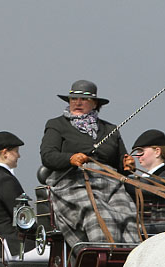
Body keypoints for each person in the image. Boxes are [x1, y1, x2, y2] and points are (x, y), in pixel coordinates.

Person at [39, 80, 139, 248]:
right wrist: (70, 159)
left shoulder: (110, 129)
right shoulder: (56, 125)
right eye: (73, 99)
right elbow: (48, 156)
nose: (77, 103)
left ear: (95, 104)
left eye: (83, 100)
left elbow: (121, 165)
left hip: (110, 183)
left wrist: (127, 165)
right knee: (100, 215)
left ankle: (131, 260)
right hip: (72, 182)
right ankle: (102, 259)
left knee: (128, 215)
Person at [0, 131, 39, 262]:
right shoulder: (5, 180)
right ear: (5, 153)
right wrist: (45, 233)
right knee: (62, 255)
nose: (19, 155)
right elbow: (24, 220)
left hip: (3, 245)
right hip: (14, 246)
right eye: (16, 151)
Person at [127, 129, 165, 235]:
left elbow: (161, 221)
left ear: (157, 152)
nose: (137, 156)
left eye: (141, 151)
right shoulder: (150, 178)